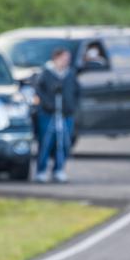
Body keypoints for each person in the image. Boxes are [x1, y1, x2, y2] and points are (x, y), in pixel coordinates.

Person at [33, 47, 79, 183]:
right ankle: (41, 171)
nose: (66, 61)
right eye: (64, 58)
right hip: (48, 114)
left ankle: (59, 170)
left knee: (64, 143)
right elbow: (39, 93)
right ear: (56, 58)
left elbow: (77, 92)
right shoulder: (45, 74)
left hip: (65, 114)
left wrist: (71, 107)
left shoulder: (70, 74)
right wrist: (48, 105)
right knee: (46, 142)